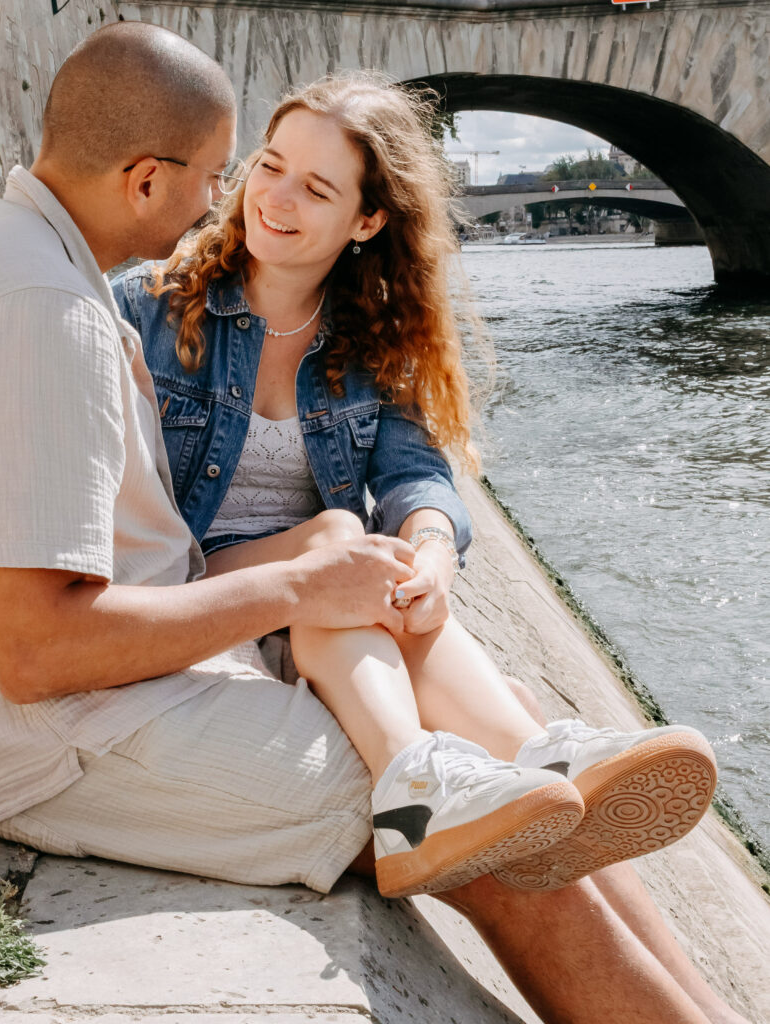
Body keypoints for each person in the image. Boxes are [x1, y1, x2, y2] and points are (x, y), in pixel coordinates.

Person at [0, 23, 748, 1024]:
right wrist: (295, 585)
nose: (230, 198)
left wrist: (413, 546)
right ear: (148, 179)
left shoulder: (34, 275)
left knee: (462, 710)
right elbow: (30, 651)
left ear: (366, 222)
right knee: (497, 833)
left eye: (299, 183)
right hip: (46, 737)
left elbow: (411, 474)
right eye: (224, 173)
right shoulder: (60, 309)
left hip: (123, 678)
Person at [112, 73, 717, 896]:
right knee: (340, 541)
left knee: (375, 562)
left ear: (367, 221)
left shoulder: (370, 341)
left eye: (316, 188)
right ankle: (429, 771)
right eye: (271, 166)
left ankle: (528, 755)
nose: (275, 198)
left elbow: (414, 474)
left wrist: (432, 552)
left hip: (311, 607)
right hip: (185, 592)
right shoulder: (144, 307)